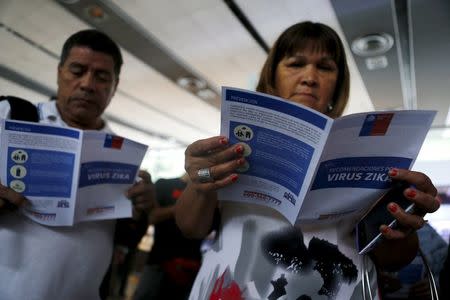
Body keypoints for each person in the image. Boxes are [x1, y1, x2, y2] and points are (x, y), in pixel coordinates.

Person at [175, 21, 440, 300]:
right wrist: (201, 182)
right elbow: (191, 228)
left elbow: (391, 259)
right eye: (295, 63)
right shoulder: (231, 145)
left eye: (325, 67)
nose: (309, 77)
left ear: (337, 84)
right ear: (272, 77)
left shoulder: (368, 154)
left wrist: (403, 223)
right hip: (235, 288)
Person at [0, 29, 154, 300]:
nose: (87, 84)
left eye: (102, 76)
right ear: (60, 73)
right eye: (77, 70)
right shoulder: (13, 116)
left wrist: (141, 212)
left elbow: (126, 240)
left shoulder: (122, 153)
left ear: (114, 87)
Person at [133, 173, 203, 300]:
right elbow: (152, 216)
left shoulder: (206, 192)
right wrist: (183, 208)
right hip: (160, 260)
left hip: (191, 264)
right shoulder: (164, 185)